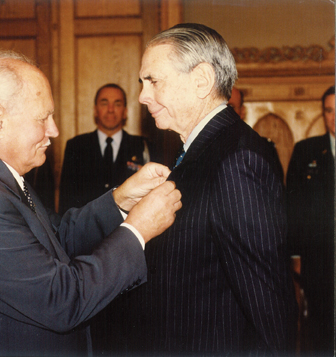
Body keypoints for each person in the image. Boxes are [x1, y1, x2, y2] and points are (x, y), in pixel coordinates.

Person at [0, 50, 182, 356]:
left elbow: (54, 241)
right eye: (44, 118)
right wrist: (138, 229)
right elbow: (61, 300)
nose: (54, 130)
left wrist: (120, 200)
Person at [123, 23, 297, 354]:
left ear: (201, 80)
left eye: (153, 81)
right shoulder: (201, 149)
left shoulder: (236, 159)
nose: (143, 96)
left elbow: (268, 308)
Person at [286, 85, 335, 353]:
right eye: (329, 110)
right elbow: (293, 207)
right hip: (318, 262)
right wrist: (295, 255)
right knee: (317, 332)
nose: (334, 117)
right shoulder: (307, 151)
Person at [58, 83, 152, 214]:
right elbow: (66, 200)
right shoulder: (76, 146)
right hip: (86, 229)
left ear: (125, 111)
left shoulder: (142, 145)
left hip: (129, 227)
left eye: (117, 104)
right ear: (95, 110)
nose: (111, 109)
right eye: (104, 103)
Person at [228, 86, 284, 182]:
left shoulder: (263, 148)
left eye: (231, 107)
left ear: (242, 112)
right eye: (219, 107)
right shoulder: (200, 147)